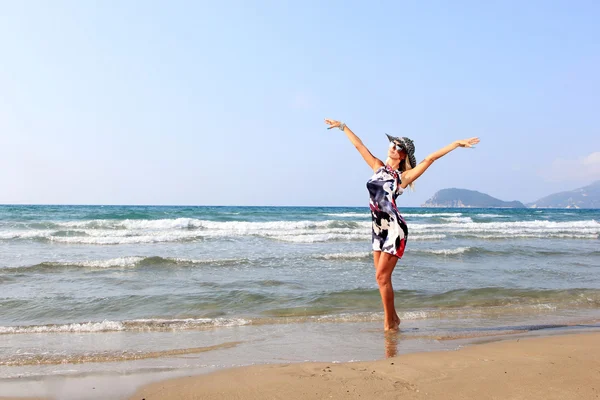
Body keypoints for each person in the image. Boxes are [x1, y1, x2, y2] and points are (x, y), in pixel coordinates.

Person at [324, 119, 480, 331]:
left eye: (398, 146)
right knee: (380, 279)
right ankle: (394, 318)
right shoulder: (377, 166)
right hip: (378, 229)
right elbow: (359, 145)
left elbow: (430, 159)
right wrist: (343, 127)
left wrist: (455, 144)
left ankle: (389, 323)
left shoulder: (402, 177)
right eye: (393, 143)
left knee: (382, 276)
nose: (393, 147)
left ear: (404, 155)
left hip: (394, 229)